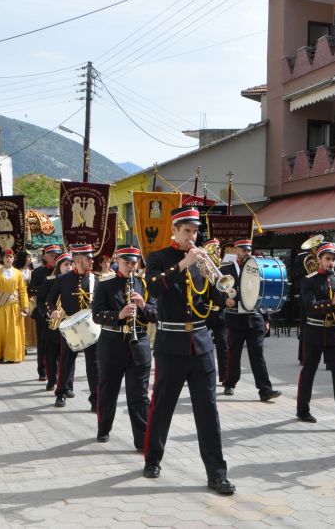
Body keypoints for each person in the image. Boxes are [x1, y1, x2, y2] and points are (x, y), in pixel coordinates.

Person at [143, 206, 234, 495]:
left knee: (208, 412)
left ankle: (217, 474)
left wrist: (224, 290)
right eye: (187, 231)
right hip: (170, 345)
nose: (192, 237)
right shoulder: (159, 258)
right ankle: (153, 458)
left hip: (202, 345)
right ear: (175, 230)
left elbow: (214, 299)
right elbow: (154, 288)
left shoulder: (203, 262)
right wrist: (183, 264)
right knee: (162, 407)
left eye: (195, 231)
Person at [91, 246, 157, 449]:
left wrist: (144, 306)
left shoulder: (145, 285)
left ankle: (142, 440)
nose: (131, 266)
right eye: (127, 262)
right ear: (118, 261)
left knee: (139, 396)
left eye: (134, 263)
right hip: (112, 344)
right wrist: (118, 315)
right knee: (108, 391)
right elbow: (96, 314)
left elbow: (156, 314)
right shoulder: (105, 284)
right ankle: (104, 429)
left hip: (139, 346)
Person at [296, 241, 335, 432]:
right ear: (319, 260)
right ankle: (302, 409)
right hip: (315, 331)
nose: (331, 263)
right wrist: (332, 301)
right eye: (327, 259)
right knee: (309, 371)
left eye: (333, 259)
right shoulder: (309, 280)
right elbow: (310, 307)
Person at [220, 239, 282, 401]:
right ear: (236, 250)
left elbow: (263, 292)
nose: (247, 253)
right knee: (234, 353)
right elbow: (218, 289)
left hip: (255, 317)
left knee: (258, 354)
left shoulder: (258, 268)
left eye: (249, 250)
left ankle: (265, 390)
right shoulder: (226, 268)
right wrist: (224, 300)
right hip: (235, 317)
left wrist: (266, 318)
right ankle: (229, 383)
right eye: (243, 250)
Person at [47, 244, 99, 411]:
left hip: (91, 326)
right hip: (70, 326)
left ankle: (95, 399)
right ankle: (61, 392)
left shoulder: (95, 279)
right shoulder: (63, 279)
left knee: (94, 364)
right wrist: (54, 311)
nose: (92, 261)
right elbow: (50, 299)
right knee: (66, 361)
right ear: (78, 260)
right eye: (88, 258)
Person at [0, 249, 29, 363]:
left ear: (13, 259)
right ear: (3, 259)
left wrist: (25, 305)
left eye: (10, 257)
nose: (8, 259)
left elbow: (23, 291)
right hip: (0, 306)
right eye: (6, 257)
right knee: (0, 330)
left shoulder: (18, 273)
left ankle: (12, 355)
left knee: (13, 332)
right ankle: (0, 354)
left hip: (14, 306)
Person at [29, 245, 62, 383]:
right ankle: (42, 370)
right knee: (43, 343)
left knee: (60, 344)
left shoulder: (64, 271)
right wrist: (47, 288)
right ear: (45, 257)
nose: (55, 257)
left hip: (60, 313)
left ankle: (59, 372)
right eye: (52, 255)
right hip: (43, 312)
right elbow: (31, 290)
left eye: (57, 255)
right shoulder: (39, 273)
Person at [40, 253, 72, 392]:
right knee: (51, 354)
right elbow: (41, 301)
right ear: (59, 266)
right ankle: (52, 380)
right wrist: (49, 313)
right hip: (52, 324)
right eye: (66, 265)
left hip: (69, 323)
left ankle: (68, 386)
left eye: (71, 264)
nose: (69, 267)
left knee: (68, 356)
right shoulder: (50, 280)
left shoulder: (73, 281)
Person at [202, 239, 228, 383]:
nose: (218, 251)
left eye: (218, 249)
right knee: (204, 347)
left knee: (223, 346)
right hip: (205, 313)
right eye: (215, 248)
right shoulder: (203, 268)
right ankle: (203, 375)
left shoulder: (222, 267)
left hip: (220, 313)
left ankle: (225, 378)